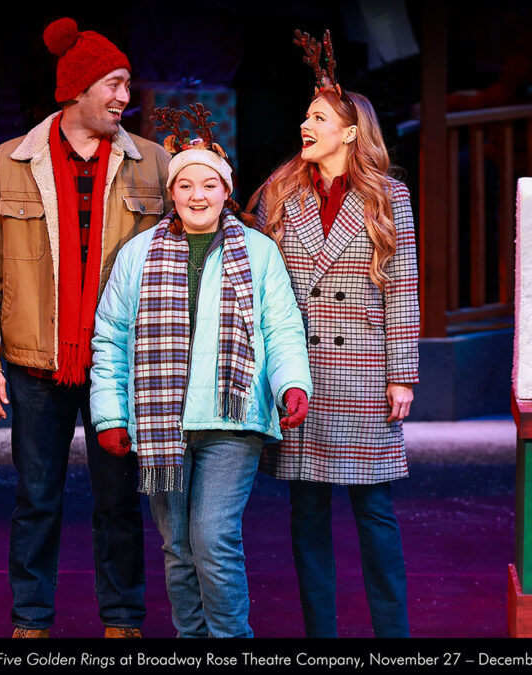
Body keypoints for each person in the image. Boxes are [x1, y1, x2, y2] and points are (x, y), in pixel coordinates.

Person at [0, 17, 170, 638]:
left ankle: (123, 622)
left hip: (117, 362)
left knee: (119, 501)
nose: (124, 96)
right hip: (34, 361)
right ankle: (31, 622)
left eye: (127, 83)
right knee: (36, 500)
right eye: (113, 83)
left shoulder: (153, 164)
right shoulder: (9, 163)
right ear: (77, 88)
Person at [89, 105, 312, 638]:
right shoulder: (138, 254)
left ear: (225, 191)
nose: (197, 195)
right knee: (178, 547)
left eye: (209, 185)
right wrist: (109, 415)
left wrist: (292, 383)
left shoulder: (258, 252)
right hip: (162, 422)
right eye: (185, 185)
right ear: (172, 193)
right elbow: (111, 338)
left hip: (232, 421)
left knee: (213, 539)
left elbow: (282, 327)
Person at [248, 29, 420, 638]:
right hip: (300, 373)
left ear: (350, 132)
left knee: (374, 510)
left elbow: (402, 288)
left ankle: (393, 637)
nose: (305, 124)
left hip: (363, 373)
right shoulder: (280, 192)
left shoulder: (388, 197)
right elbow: (258, 279)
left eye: (318, 117)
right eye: (305, 116)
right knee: (307, 512)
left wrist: (402, 375)